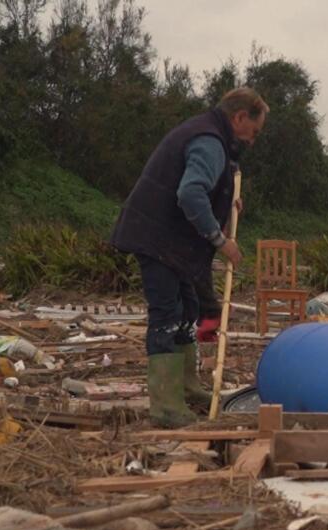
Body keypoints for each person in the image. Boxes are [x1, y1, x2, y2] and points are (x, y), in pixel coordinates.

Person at [110, 87, 268, 428]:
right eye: (254, 132)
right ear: (239, 118)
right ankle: (166, 406)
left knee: (189, 310)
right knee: (167, 315)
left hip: (172, 242)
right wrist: (220, 240)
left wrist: (225, 202)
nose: (253, 140)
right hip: (158, 239)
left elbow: (202, 189)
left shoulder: (209, 135)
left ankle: (185, 387)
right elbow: (190, 192)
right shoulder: (210, 141)